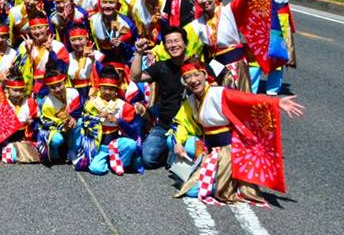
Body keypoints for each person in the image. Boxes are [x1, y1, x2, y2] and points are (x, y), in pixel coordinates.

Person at [171, 58, 303, 203]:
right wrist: (178, 142)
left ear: (204, 75)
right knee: (186, 144)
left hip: (227, 150)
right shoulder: (191, 101)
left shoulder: (218, 93)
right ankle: (220, 179)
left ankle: (229, 183)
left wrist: (276, 102)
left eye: (196, 75)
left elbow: (246, 99)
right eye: (187, 77)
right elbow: (182, 124)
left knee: (193, 190)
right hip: (208, 148)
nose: (193, 80)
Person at [130, 27, 188, 169]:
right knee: (148, 159)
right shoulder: (161, 66)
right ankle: (168, 149)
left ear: (186, 43)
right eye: (169, 42)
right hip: (165, 124)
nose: (173, 45)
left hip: (189, 126)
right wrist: (139, 53)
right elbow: (136, 76)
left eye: (176, 41)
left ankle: (173, 151)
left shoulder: (197, 66)